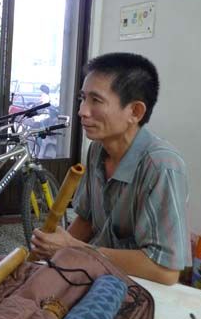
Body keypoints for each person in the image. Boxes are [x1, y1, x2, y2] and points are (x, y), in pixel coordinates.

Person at [30, 52, 191, 285]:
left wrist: (75, 249)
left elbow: (165, 271)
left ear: (135, 112)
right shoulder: (97, 150)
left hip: (139, 288)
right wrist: (53, 255)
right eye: (83, 98)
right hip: (99, 274)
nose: (82, 111)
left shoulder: (162, 166)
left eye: (96, 100)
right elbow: (86, 220)